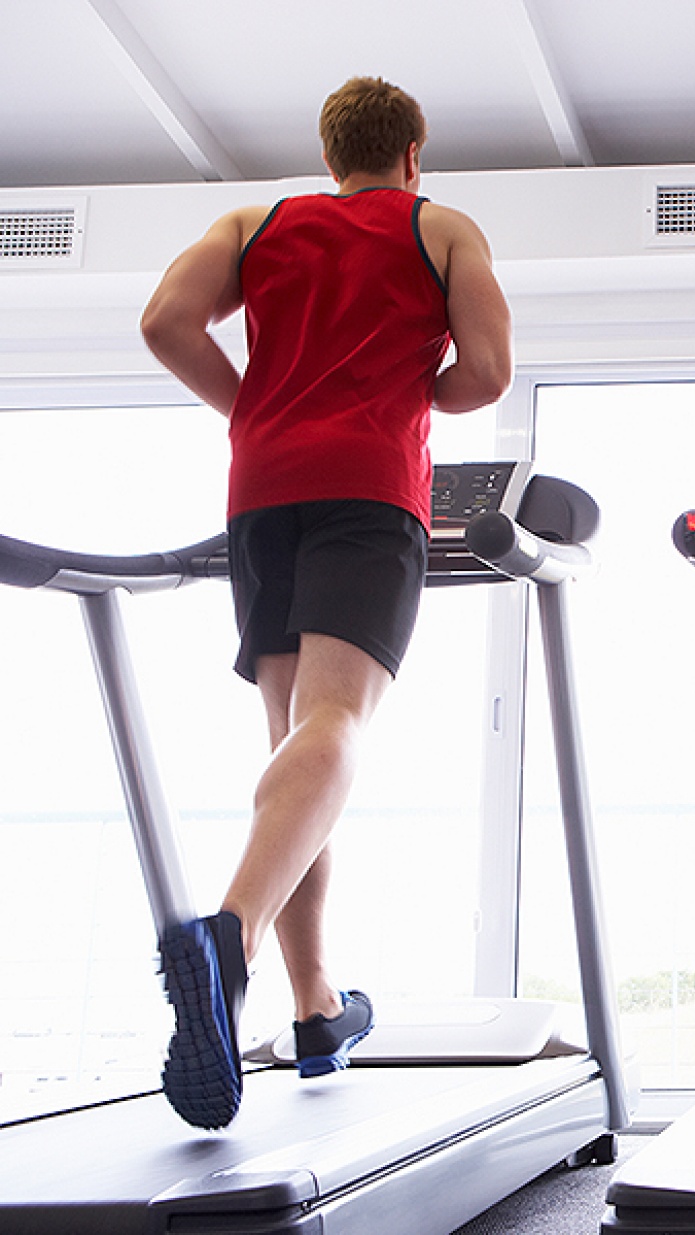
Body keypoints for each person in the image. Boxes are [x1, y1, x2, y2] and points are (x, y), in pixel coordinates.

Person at [138, 76, 512, 1128]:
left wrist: (255, 402)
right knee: (337, 726)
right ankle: (229, 939)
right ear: (413, 152)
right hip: (368, 488)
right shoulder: (438, 226)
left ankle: (312, 1008)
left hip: (259, 494)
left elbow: (165, 321)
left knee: (294, 750)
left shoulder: (256, 223)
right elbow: (487, 371)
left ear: (328, 152)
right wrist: (402, 390)